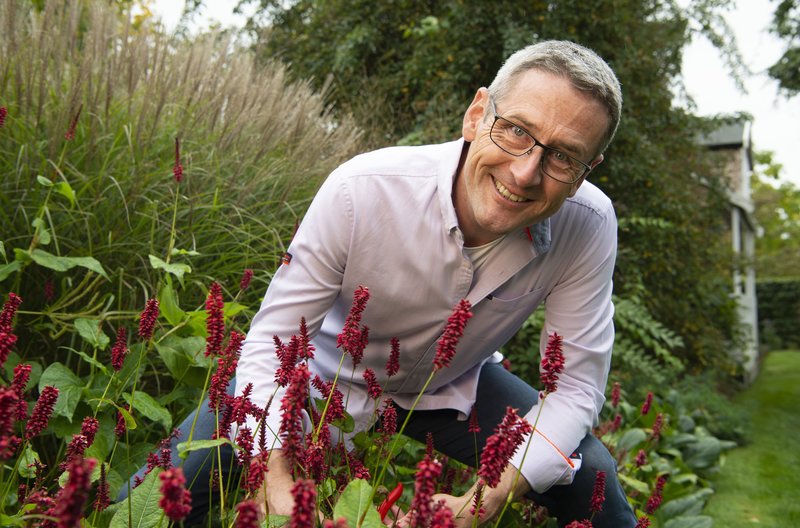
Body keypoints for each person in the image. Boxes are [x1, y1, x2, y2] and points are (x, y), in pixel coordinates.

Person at [122, 40, 636, 527]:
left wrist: (489, 497)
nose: (526, 173)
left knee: (591, 475)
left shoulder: (588, 223)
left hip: (450, 385)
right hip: (314, 375)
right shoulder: (362, 190)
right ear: (477, 114)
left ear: (589, 169)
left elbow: (574, 386)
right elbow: (274, 339)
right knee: (152, 502)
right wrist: (274, 478)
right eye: (517, 130)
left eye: (563, 157)